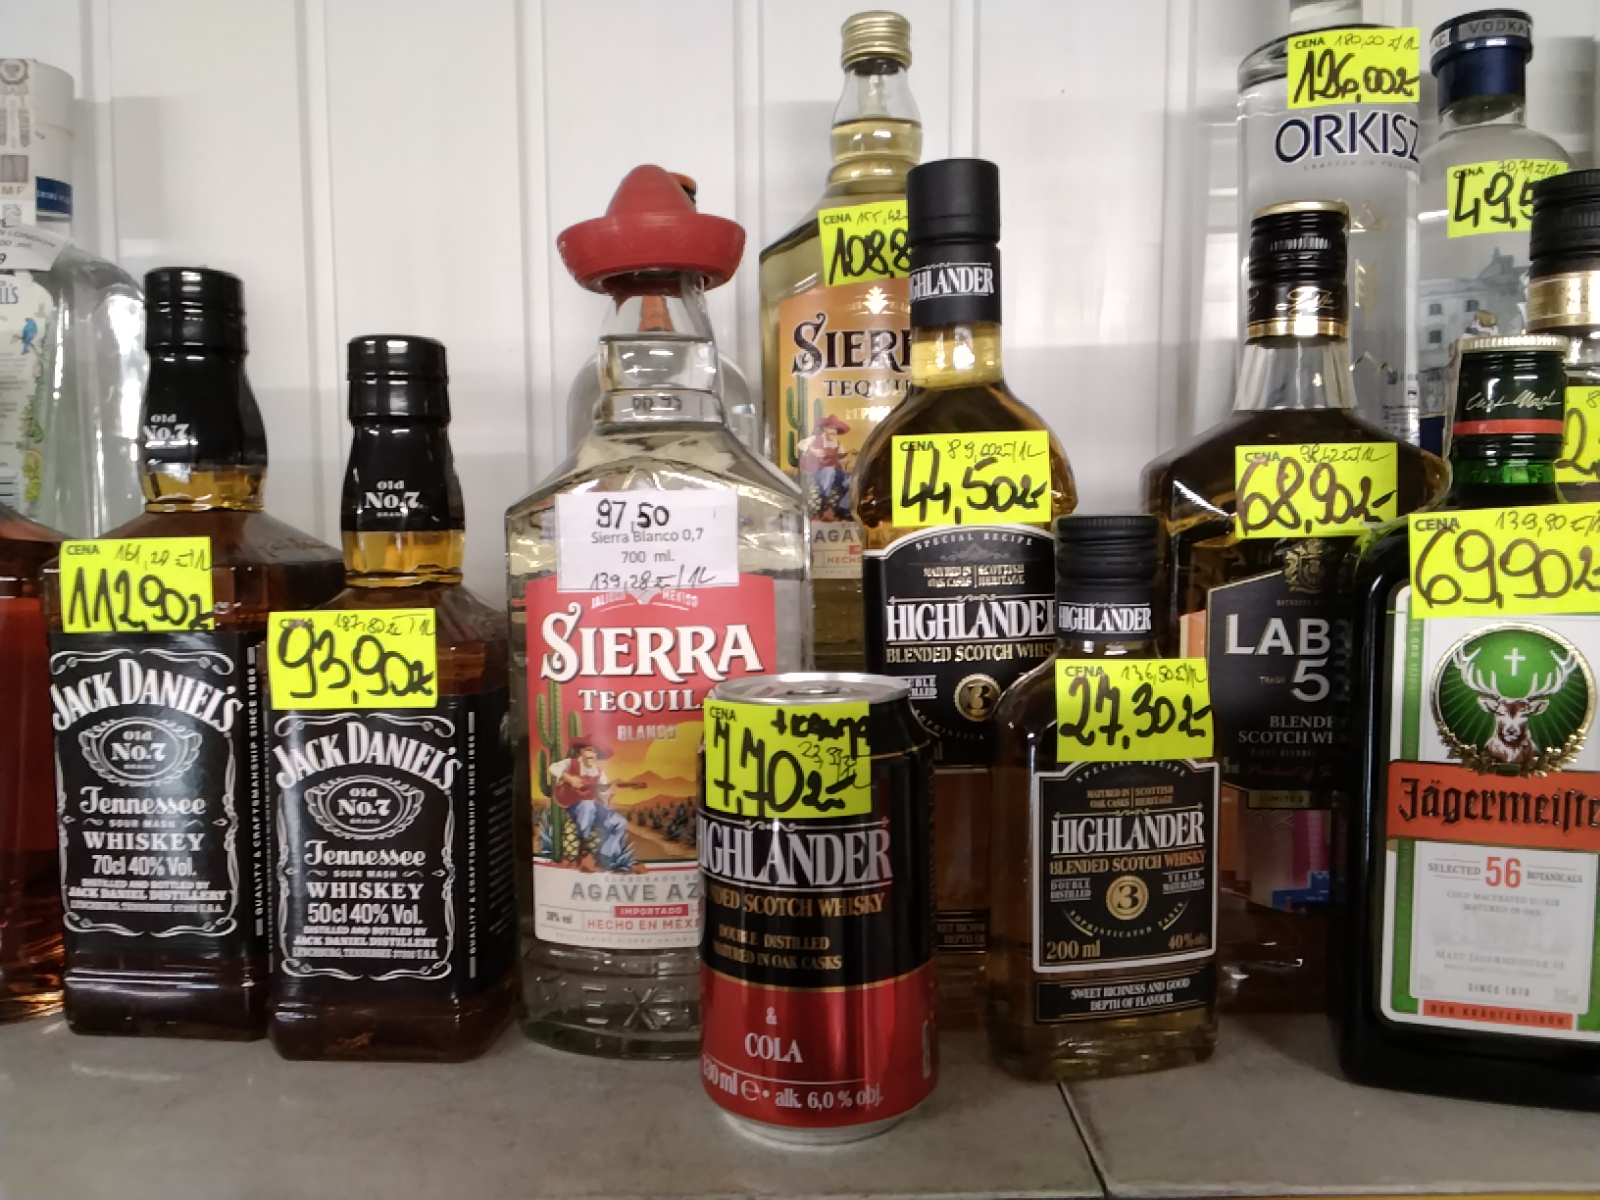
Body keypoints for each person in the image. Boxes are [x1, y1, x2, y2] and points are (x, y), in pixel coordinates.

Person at [547, 740, 636, 872]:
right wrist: (569, 779)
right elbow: (553, 768)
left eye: (594, 752)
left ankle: (604, 855)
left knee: (620, 823)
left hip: (593, 808)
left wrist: (611, 794)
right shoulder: (571, 763)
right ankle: (583, 848)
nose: (592, 755)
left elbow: (604, 798)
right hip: (575, 806)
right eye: (589, 750)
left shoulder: (599, 773)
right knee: (587, 806)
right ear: (581, 751)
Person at [797, 414, 851, 519]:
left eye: (835, 429)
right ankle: (824, 500)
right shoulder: (815, 439)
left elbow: (841, 459)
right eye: (830, 428)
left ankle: (843, 508)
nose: (833, 431)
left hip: (834, 473)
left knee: (851, 480)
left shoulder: (838, 444)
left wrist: (843, 462)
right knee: (829, 471)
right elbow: (801, 445)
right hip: (816, 472)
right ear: (825, 428)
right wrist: (813, 450)